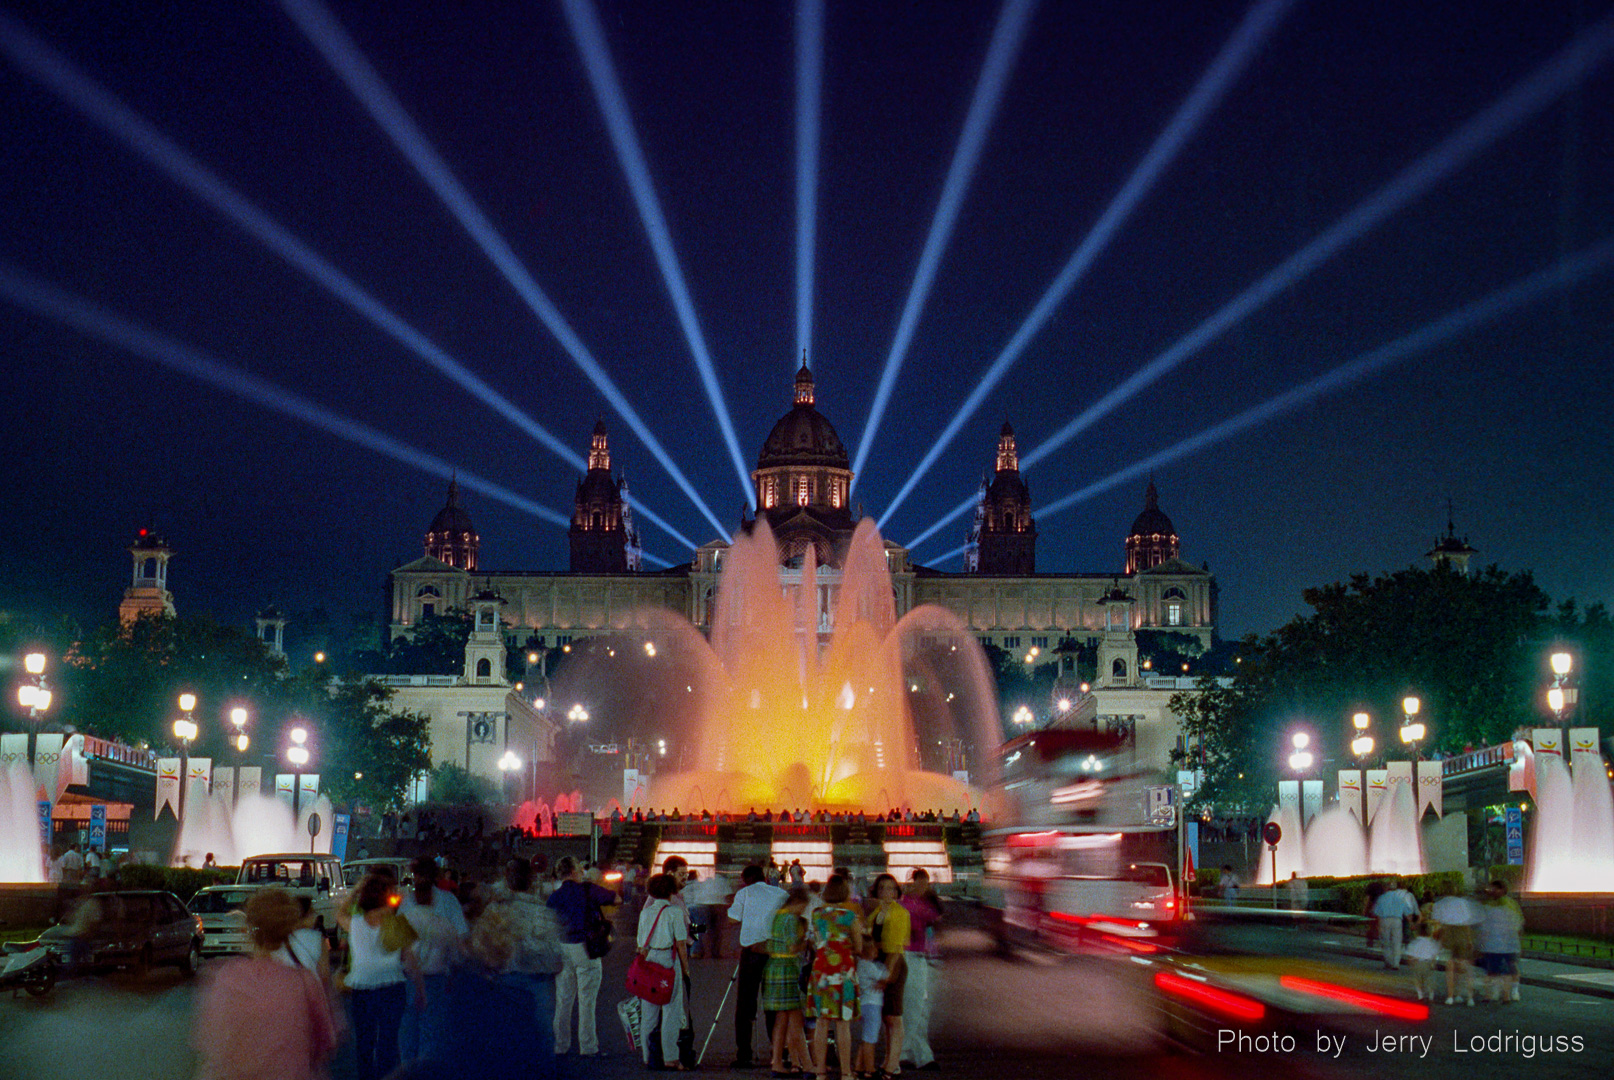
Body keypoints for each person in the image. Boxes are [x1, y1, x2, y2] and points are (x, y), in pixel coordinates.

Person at [192, 888, 337, 1080]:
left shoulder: (226, 975)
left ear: (248, 928)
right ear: (289, 928)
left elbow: (209, 1041)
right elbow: (324, 1042)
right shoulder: (304, 982)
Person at [483, 857, 563, 1080]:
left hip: (503, 982)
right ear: (530, 880)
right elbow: (557, 958)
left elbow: (482, 950)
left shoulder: (495, 910)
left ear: (507, 880)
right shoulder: (543, 912)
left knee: (504, 1035)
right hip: (538, 982)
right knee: (544, 1035)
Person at [339, 873, 420, 1080]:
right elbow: (410, 960)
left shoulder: (355, 923)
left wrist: (356, 890)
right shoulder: (396, 922)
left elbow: (339, 913)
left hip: (362, 988)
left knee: (364, 1042)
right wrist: (420, 989)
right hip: (392, 987)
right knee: (389, 1041)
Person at [398, 855, 469, 1064]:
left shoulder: (406, 904)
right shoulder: (448, 903)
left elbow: (399, 947)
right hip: (439, 977)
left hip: (409, 976)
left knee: (409, 1031)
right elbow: (461, 940)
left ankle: (408, 1073)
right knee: (432, 1032)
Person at [549, 854, 617, 1056]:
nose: (582, 872)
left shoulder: (554, 896)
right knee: (587, 1000)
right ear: (572, 872)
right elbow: (617, 898)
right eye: (579, 869)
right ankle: (588, 1047)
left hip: (563, 948)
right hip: (585, 948)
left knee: (563, 999)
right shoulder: (587, 889)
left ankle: (560, 1045)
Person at [729, 863, 789, 1068]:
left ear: (744, 879)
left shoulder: (744, 893)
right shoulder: (779, 893)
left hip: (751, 952)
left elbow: (732, 919)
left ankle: (744, 1053)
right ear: (764, 877)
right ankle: (780, 1052)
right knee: (773, 1003)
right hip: (775, 952)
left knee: (745, 1004)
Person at [809, 874, 864, 1080]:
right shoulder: (850, 916)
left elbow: (815, 940)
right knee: (843, 1022)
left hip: (821, 970)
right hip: (843, 971)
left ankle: (820, 1072)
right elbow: (858, 947)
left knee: (821, 1022)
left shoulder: (816, 914)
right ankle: (846, 1072)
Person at [637, 872, 693, 1071]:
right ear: (671, 891)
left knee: (649, 1011)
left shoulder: (646, 913)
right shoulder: (674, 912)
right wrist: (686, 969)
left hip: (650, 959)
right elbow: (680, 943)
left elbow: (641, 944)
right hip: (669, 961)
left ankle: (647, 1054)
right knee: (671, 1010)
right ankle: (670, 1056)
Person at [764, 886, 813, 1077]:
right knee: (795, 1018)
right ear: (797, 903)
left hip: (773, 966)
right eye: (803, 907)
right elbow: (793, 948)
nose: (803, 911)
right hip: (787, 969)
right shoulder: (791, 919)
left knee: (781, 1018)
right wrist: (806, 943)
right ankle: (807, 1065)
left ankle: (776, 1061)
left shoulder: (777, 915)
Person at [867, 873, 910, 1078]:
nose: (887, 892)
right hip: (880, 964)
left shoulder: (899, 913)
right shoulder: (877, 912)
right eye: (883, 887)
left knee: (894, 1017)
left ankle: (892, 1065)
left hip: (893, 964)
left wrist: (888, 975)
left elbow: (896, 947)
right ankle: (889, 1061)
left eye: (892, 888)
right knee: (887, 1017)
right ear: (876, 890)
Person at [899, 869, 943, 1071]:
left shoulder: (926, 902)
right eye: (920, 881)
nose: (924, 885)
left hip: (929, 958)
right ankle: (923, 1056)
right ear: (913, 881)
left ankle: (905, 1053)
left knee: (918, 1009)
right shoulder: (907, 903)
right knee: (916, 1008)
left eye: (926, 882)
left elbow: (936, 916)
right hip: (912, 957)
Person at [1477, 879, 1524, 1002]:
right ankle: (1509, 993)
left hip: (1497, 944)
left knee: (1495, 969)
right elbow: (1518, 924)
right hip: (1507, 944)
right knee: (1508, 968)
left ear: (1502, 889)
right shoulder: (1510, 904)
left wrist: (1481, 943)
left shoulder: (1493, 905)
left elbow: (1484, 927)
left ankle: (1498, 993)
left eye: (1494, 889)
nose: (1491, 891)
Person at [1373, 878, 1418, 969]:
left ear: (1386, 888)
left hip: (1384, 920)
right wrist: (1411, 923)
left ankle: (1388, 961)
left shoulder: (1381, 898)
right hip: (1397, 920)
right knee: (1397, 942)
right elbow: (1407, 913)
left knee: (1386, 942)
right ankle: (1396, 963)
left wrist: (1377, 925)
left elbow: (1376, 912)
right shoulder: (1400, 899)